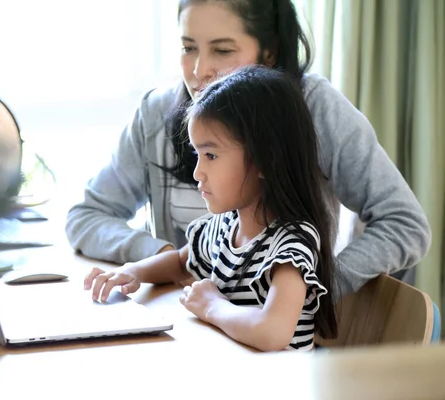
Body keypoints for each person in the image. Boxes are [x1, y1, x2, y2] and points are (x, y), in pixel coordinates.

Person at [66, 0, 431, 296]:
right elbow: (87, 216)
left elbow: (405, 224)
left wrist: (314, 288)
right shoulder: (157, 112)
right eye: (187, 48)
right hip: (184, 327)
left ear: (269, 52)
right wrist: (165, 259)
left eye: (222, 50)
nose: (200, 70)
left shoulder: (315, 108)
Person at [85, 66, 337, 351]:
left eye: (211, 155)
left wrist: (213, 306)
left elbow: (273, 332)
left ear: (266, 160)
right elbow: (181, 262)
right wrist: (133, 272)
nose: (197, 172)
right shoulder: (224, 227)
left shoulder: (290, 244)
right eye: (197, 154)